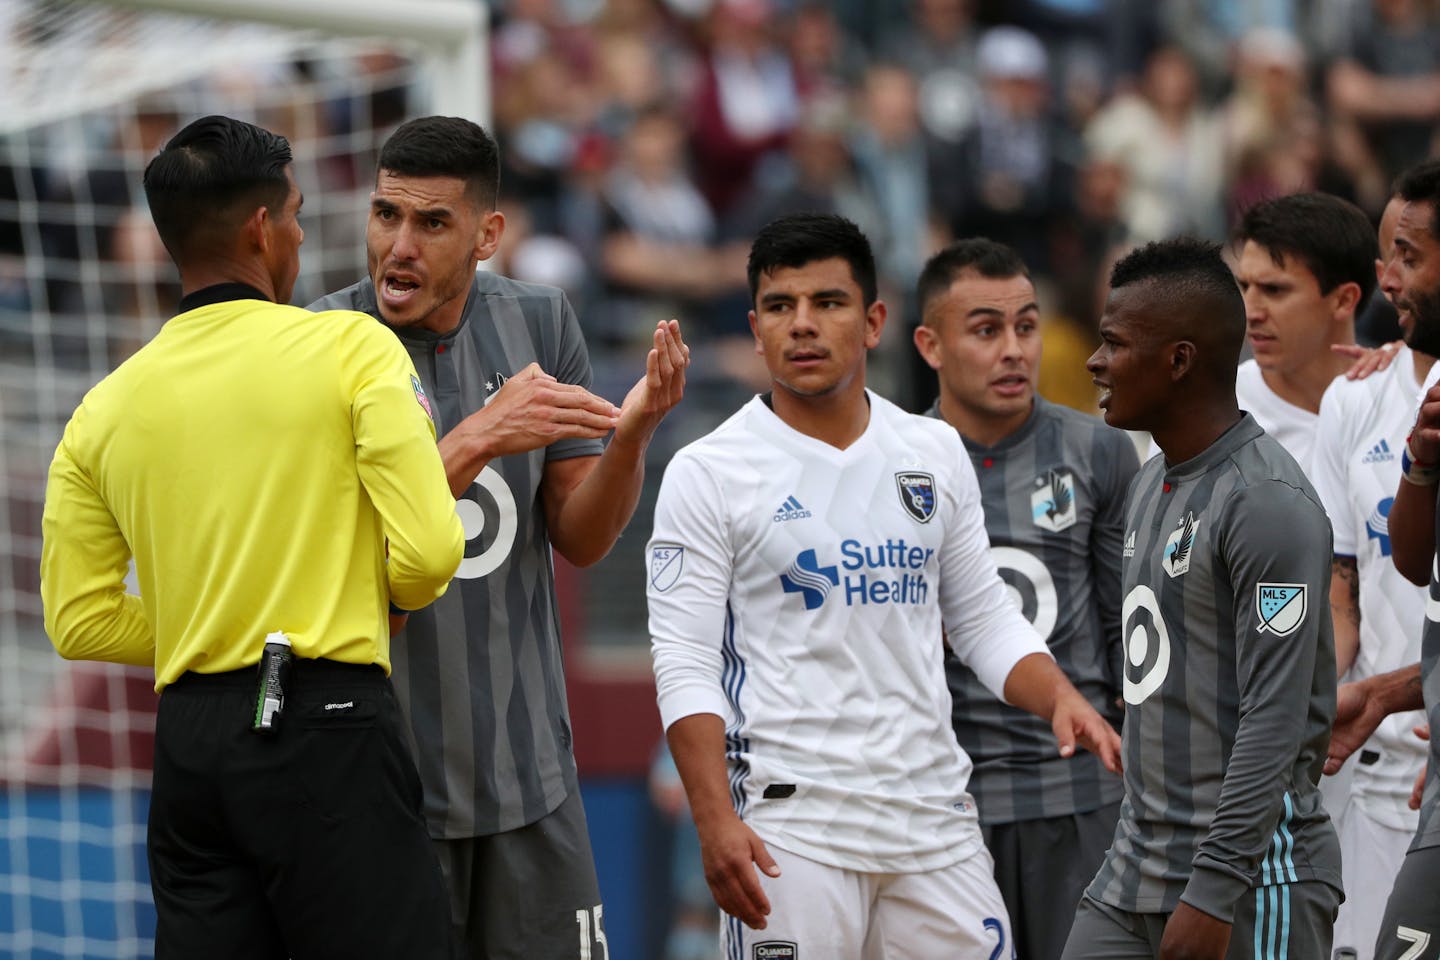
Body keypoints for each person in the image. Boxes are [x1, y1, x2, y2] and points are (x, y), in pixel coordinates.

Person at [39, 115, 464, 958]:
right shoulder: (352, 347)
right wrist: (321, 597)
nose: (304, 236)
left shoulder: (103, 408)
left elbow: (78, 620)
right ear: (263, 227)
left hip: (192, 741)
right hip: (327, 720)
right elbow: (427, 557)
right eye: (299, 214)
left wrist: (221, 615)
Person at [646, 212, 1121, 959]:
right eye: (780, 307)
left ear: (873, 322)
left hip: (933, 822)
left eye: (827, 303)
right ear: (756, 325)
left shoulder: (931, 451)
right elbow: (684, 664)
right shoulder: (708, 471)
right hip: (793, 832)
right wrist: (713, 820)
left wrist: (1059, 697)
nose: (802, 325)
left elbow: (985, 621)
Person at [308, 115, 689, 959]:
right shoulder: (315, 344)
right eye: (385, 215)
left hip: (532, 779)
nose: (399, 246)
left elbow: (581, 539)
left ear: (487, 236)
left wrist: (630, 438)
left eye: (432, 223)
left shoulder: (543, 322)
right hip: (380, 788)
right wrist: (478, 434)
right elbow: (326, 556)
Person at [1062, 237, 1341, 960]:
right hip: (1134, 873)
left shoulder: (1265, 502)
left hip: (1249, 881)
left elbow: (1277, 718)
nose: (1095, 361)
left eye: (1115, 343)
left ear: (1179, 360)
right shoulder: (1154, 480)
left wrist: (1216, 886)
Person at [911, 237, 1136, 960]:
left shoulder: (1098, 449)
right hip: (941, 808)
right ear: (930, 344)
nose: (1014, 349)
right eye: (986, 330)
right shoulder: (893, 461)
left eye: (1027, 326)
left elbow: (1126, 630)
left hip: (1079, 801)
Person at [1309, 192, 1432, 960]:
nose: (1390, 276)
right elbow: (1342, 587)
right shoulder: (1356, 399)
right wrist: (1315, 692)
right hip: (1381, 771)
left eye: (1409, 255)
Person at [1231, 191, 1377, 472]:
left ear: (1344, 300)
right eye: (1245, 287)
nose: (1250, 311)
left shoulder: (1406, 400)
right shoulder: (1207, 414)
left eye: (1273, 290)